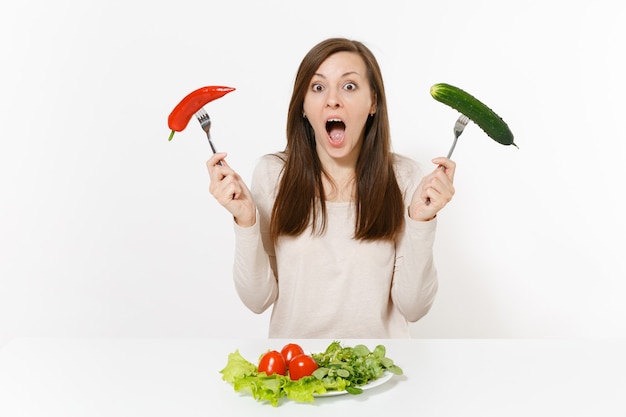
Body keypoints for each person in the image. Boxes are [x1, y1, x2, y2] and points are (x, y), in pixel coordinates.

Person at [206, 37, 456, 338]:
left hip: (378, 369)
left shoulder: (403, 177)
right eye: (318, 87)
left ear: (373, 102)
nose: (333, 100)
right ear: (303, 106)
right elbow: (257, 300)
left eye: (349, 86)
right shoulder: (273, 174)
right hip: (297, 371)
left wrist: (421, 221)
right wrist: (245, 221)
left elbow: (414, 308)